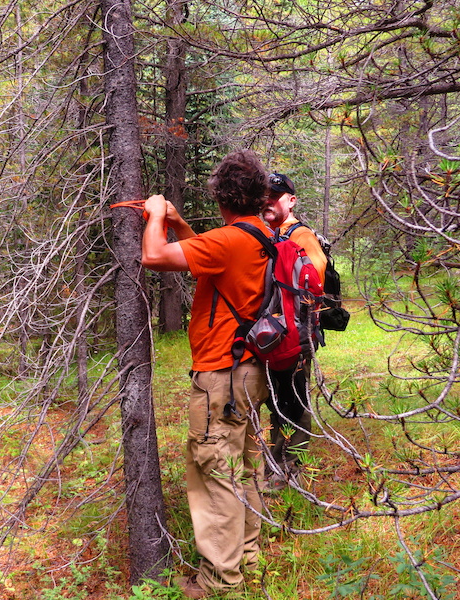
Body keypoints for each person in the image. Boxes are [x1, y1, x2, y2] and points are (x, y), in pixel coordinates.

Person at [142, 150, 272, 598]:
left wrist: (156, 215)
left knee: (215, 475)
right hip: (253, 372)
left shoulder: (229, 240)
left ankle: (220, 582)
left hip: (222, 376)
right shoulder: (261, 234)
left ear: (220, 196)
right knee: (246, 467)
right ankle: (247, 559)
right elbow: (212, 260)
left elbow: (154, 257)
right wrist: (179, 224)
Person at [261, 173, 327, 492]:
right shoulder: (272, 234)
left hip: (295, 337)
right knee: (278, 401)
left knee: (294, 401)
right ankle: (278, 464)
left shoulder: (300, 235)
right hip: (275, 336)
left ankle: (292, 472)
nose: (269, 201)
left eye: (276, 195)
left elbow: (316, 282)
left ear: (291, 200)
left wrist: (299, 329)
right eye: (265, 196)